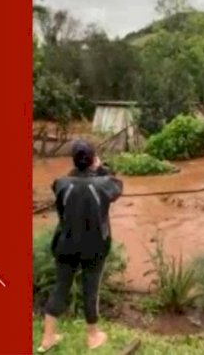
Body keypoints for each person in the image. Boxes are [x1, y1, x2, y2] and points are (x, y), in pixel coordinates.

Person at [38, 140, 123, 353]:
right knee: (91, 289)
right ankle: (93, 337)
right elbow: (117, 185)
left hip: (65, 244)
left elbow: (69, 183)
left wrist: (87, 170)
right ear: (94, 159)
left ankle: (47, 339)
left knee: (60, 288)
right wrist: (100, 169)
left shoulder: (60, 183)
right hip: (94, 246)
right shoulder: (105, 183)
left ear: (74, 161)